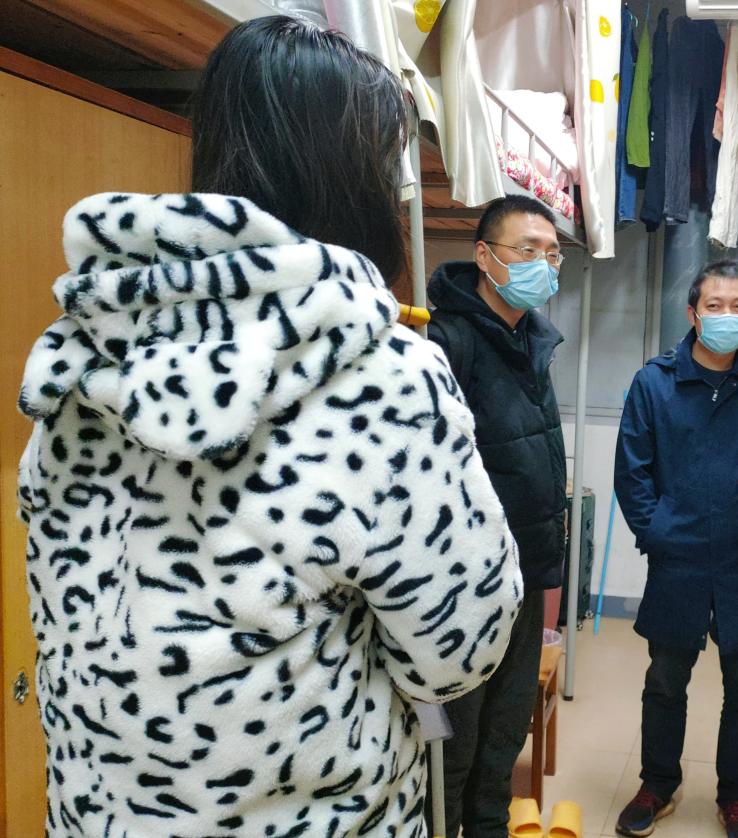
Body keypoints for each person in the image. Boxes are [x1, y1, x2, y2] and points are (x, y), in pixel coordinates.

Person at [16, 17, 521, 837]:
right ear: (355, 177)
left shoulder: (91, 345)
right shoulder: (380, 374)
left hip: (98, 815)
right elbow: (458, 647)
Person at [612, 260, 738, 838]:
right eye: (714, 305)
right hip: (680, 560)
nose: (727, 315)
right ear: (692, 313)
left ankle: (737, 797)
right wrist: (659, 532)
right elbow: (631, 473)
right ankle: (657, 784)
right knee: (666, 680)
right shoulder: (653, 384)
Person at [426, 195, 568, 838]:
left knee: (506, 731)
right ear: (484, 257)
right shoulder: (444, 342)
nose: (544, 263)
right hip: (466, 582)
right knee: (456, 740)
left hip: (526, 571)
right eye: (527, 249)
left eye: (553, 253)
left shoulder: (533, 339)